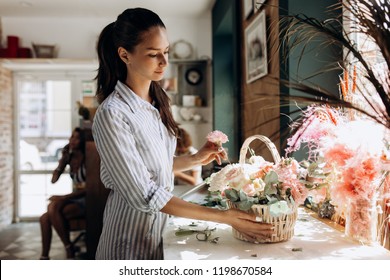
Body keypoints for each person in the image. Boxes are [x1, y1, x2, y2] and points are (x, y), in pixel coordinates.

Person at [92, 7, 273, 260]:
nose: (164, 62)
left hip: (161, 233)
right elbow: (144, 193)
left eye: (166, 52)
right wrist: (225, 218)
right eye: (154, 54)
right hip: (128, 243)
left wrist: (196, 159)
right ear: (125, 54)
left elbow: (153, 167)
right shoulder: (113, 113)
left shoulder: (157, 102)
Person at [39, 127, 86, 260]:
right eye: (72, 137)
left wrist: (63, 198)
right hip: (76, 197)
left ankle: (68, 247)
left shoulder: (89, 157)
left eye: (77, 138)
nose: (73, 140)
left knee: (52, 207)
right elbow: (54, 180)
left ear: (82, 141)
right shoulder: (69, 157)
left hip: (88, 199)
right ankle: (45, 256)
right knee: (44, 218)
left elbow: (89, 189)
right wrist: (62, 162)